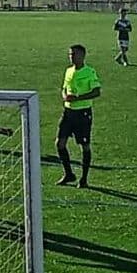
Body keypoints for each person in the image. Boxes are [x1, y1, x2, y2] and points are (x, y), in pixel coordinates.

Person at [58, 44, 101, 188]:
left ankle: (84, 179)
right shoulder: (68, 71)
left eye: (74, 54)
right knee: (60, 143)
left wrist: (77, 98)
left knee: (85, 146)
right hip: (68, 112)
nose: (71, 57)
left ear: (82, 55)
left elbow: (96, 92)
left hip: (82, 113)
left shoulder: (89, 72)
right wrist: (65, 96)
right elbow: (64, 88)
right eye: (70, 54)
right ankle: (69, 174)